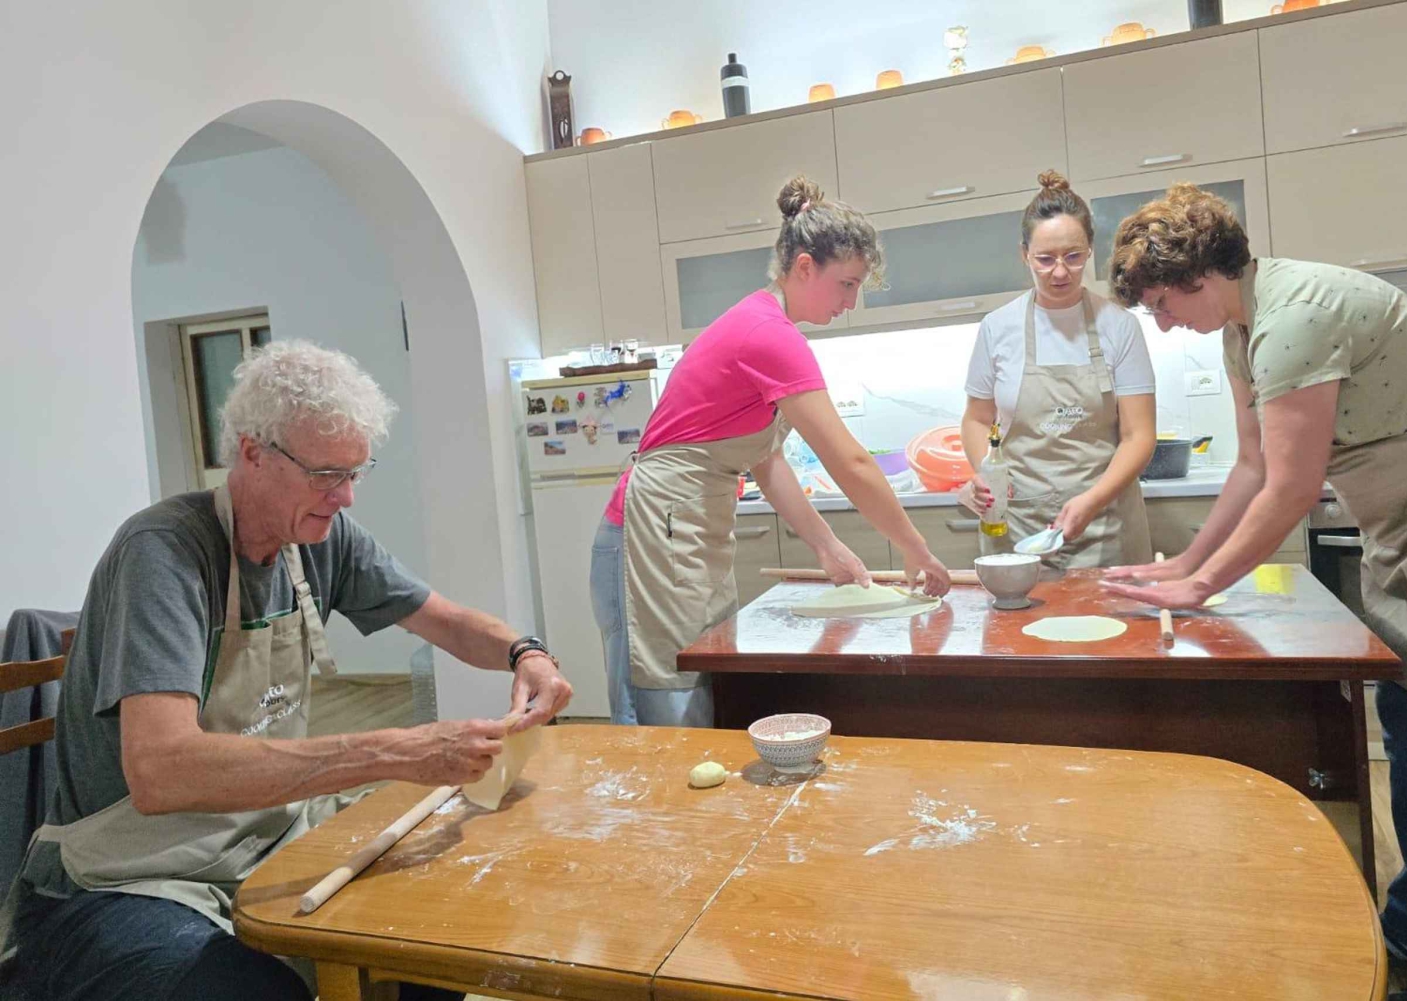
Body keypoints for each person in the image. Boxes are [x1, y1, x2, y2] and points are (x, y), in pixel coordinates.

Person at [0, 341, 573, 1001]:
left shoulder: (320, 538)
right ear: (252, 453)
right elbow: (161, 771)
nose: (346, 495)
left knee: (430, 943)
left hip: (266, 838)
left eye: (356, 472)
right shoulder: (163, 553)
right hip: (126, 879)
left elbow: (445, 620)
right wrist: (395, 750)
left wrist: (526, 653)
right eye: (327, 473)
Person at [1101, 183, 1407, 1001]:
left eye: (1162, 303)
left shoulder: (1296, 317)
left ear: (1200, 274)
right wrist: (1184, 567)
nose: (1162, 322)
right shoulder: (1241, 330)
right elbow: (1251, 465)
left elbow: (1290, 486)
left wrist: (1204, 585)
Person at [590, 175, 953, 728]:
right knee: (668, 694)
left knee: (703, 677)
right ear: (804, 266)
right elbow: (850, 461)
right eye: (846, 284)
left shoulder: (764, 324)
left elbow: (768, 460)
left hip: (683, 526)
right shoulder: (768, 334)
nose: (851, 302)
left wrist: (828, 547)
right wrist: (917, 550)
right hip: (651, 531)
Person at [959, 170, 1156, 567]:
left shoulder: (1120, 327)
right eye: (1045, 259)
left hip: (1106, 527)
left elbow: (1139, 436)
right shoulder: (997, 328)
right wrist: (986, 475)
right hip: (1019, 529)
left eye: (1073, 256)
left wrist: (1092, 501)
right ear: (1024, 255)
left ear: (1090, 250)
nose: (1060, 272)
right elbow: (977, 419)